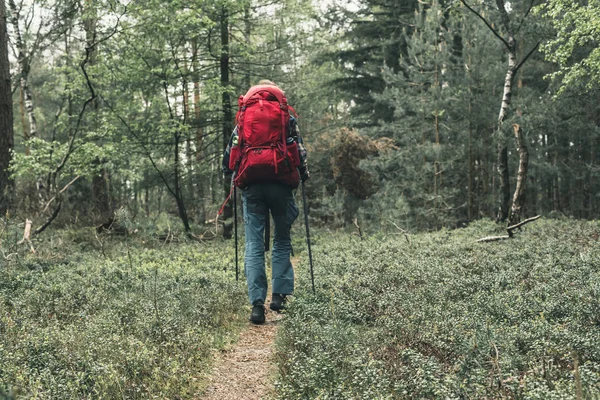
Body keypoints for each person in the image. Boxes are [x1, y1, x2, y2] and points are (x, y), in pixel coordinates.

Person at [222, 80, 309, 324]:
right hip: (281, 183)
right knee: (282, 238)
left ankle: (257, 306)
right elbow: (299, 152)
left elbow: (230, 154)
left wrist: (229, 173)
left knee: (253, 243)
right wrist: (303, 174)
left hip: (252, 185)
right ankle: (279, 296)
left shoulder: (245, 117)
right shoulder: (284, 116)